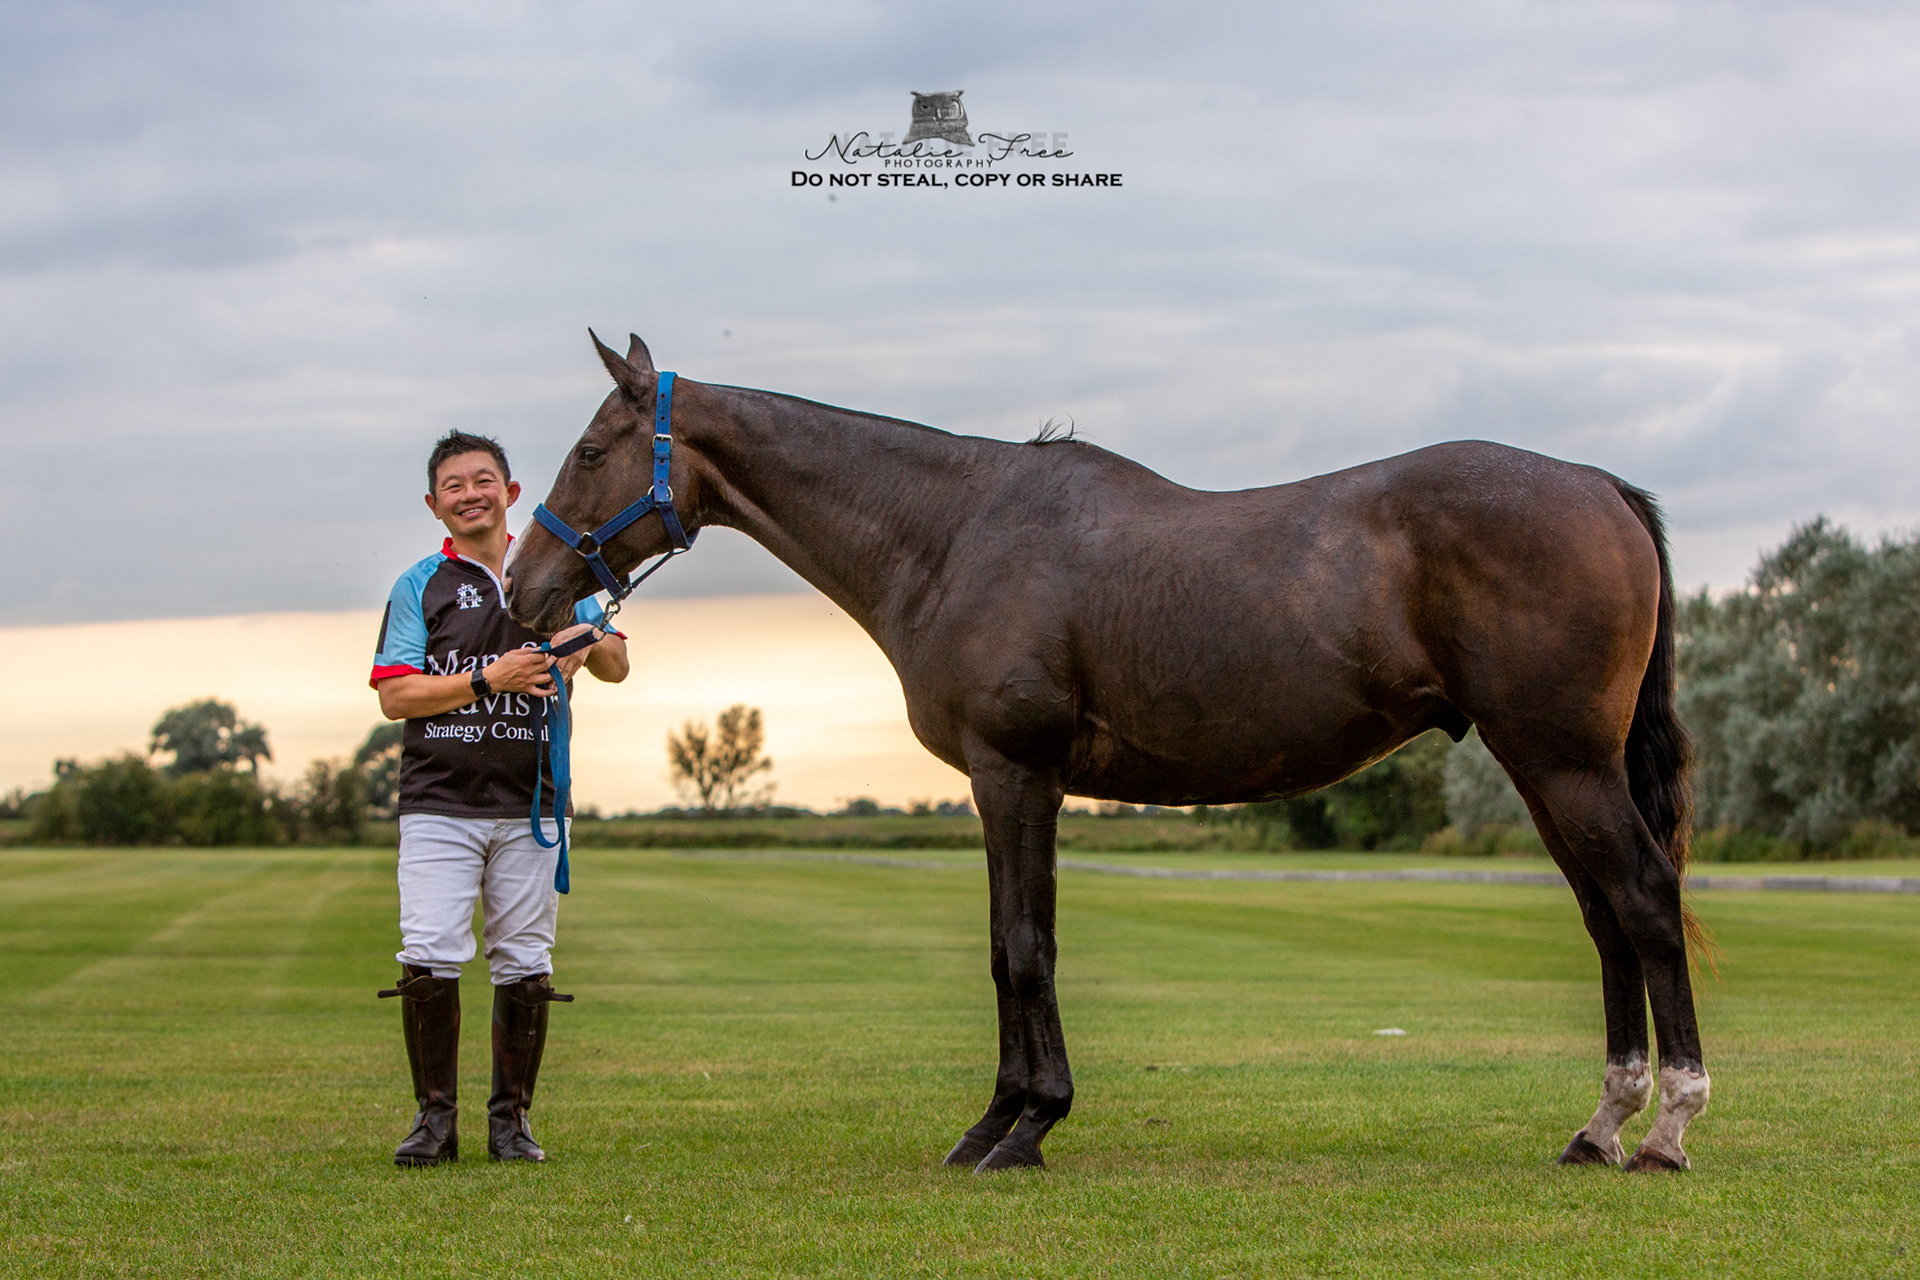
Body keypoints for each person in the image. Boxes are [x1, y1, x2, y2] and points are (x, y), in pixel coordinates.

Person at [368, 429, 629, 1166]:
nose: (470, 495)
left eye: (483, 480)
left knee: (524, 960)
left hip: (533, 801)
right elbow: (395, 696)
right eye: (453, 486)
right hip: (440, 800)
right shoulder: (419, 584)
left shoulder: (554, 569)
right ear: (434, 505)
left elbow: (617, 663)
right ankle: (434, 1123)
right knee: (428, 953)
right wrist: (491, 679)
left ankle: (511, 1124)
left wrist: (585, 638)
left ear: (511, 493)